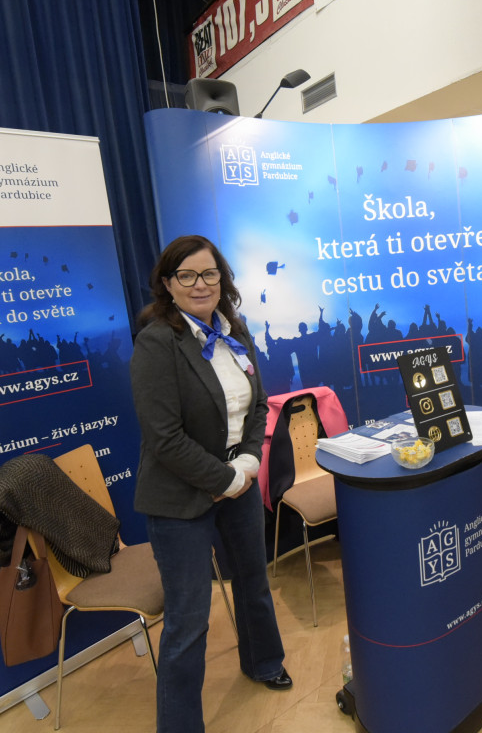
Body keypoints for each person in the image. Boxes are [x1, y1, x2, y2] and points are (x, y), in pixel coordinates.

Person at [130, 235, 291, 732]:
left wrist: (249, 460)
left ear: (223, 279)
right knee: (188, 619)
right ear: (167, 284)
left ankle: (263, 661)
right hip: (180, 497)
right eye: (187, 275)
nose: (200, 284)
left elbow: (258, 404)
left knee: (253, 583)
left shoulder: (233, 329)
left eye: (209, 273)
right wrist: (226, 477)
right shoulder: (158, 342)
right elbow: (164, 438)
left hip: (238, 482)